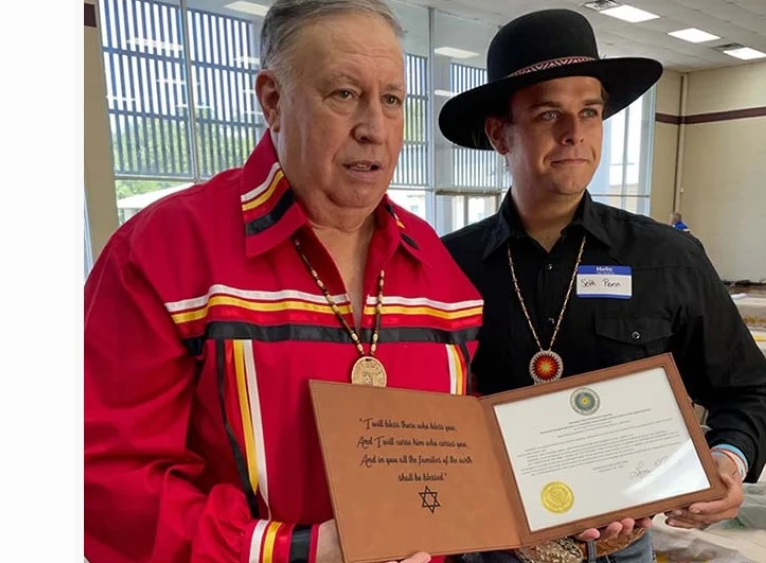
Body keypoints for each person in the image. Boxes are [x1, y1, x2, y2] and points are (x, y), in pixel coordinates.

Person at [84, 1, 484, 562]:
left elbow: (457, 462)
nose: (374, 129)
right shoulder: (162, 252)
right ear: (272, 100)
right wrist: (297, 550)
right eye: (344, 94)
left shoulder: (441, 272)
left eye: (391, 99)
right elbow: (105, 480)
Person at [439, 9, 766, 563]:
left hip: (622, 549)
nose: (574, 133)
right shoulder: (447, 268)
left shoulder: (667, 258)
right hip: (491, 547)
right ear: (500, 133)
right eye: (549, 114)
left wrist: (728, 458)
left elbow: (746, 389)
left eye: (589, 112)